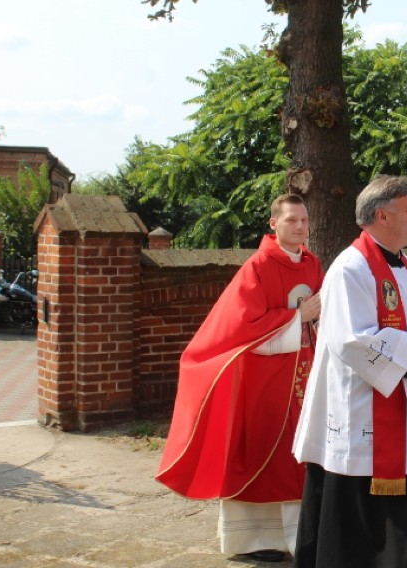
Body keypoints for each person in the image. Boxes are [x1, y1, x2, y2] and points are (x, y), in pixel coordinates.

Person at [292, 175, 407, 568]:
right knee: (355, 518)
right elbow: (351, 341)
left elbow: (403, 323)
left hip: (401, 404)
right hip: (360, 413)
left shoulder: (405, 264)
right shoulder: (351, 267)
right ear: (382, 215)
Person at [155, 193, 323, 563]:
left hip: (303, 375)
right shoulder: (258, 266)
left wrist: (317, 317)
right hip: (263, 379)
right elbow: (243, 328)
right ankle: (251, 540)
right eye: (292, 220)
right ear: (273, 223)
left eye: (304, 220)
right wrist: (298, 317)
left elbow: (318, 316)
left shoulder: (313, 265)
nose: (300, 227)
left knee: (299, 457)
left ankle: (303, 538)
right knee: (262, 455)